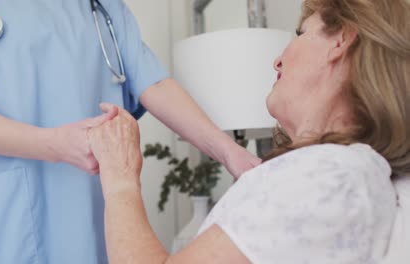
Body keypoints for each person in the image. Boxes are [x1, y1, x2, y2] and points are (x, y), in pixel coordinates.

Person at [88, 0, 410, 263]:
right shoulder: (328, 171)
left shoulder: (333, 172)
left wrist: (120, 179)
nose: (277, 61)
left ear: (340, 40)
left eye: (298, 34)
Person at [0, 0, 258, 263]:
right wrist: (56, 144)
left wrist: (231, 152)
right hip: (4, 216)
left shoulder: (102, 5)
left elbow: (155, 84)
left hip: (88, 214)